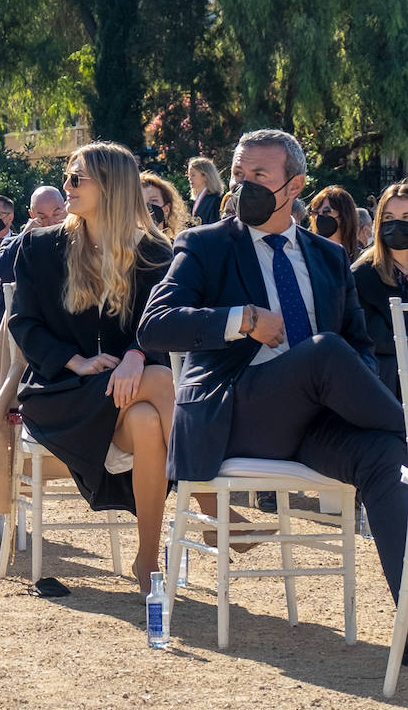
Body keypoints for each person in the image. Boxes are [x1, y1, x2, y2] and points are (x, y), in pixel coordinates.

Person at [138, 128, 408, 604]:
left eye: (260, 175)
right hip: (237, 411)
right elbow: (155, 327)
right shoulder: (205, 244)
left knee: (384, 456)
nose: (245, 186)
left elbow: (359, 347)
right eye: (239, 174)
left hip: (315, 426)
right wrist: (239, 320)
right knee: (323, 351)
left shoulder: (327, 257)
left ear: (295, 186)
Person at [9, 143, 176, 588]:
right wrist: (76, 361)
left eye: (76, 178)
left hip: (124, 394)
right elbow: (23, 323)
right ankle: (209, 494)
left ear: (111, 186)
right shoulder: (42, 246)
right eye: (68, 177)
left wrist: (137, 354)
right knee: (159, 380)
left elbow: (161, 327)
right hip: (59, 390)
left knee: (145, 420)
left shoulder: (154, 253)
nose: (67, 186)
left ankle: (147, 562)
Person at [351, 181, 408, 397]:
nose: (397, 225)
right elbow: (368, 337)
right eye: (389, 218)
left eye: (406, 218)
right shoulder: (363, 274)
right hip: (386, 389)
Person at [0, 186, 66, 284]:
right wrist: (24, 237)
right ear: (32, 215)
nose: (50, 223)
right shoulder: (16, 243)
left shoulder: (77, 239)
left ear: (66, 208)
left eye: (56, 214)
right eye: (42, 217)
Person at [309, 184, 360, 257]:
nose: (319, 217)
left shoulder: (360, 259)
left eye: (326, 212)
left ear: (344, 216)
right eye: (316, 212)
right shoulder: (310, 255)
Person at [140, 171, 192, 241]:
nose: (146, 206)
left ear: (166, 209)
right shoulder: (127, 248)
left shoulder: (176, 248)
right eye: (140, 202)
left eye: (153, 200)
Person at [187, 156, 223, 225]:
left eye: (193, 175)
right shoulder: (197, 200)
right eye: (189, 175)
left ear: (205, 176)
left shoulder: (215, 201)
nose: (189, 179)